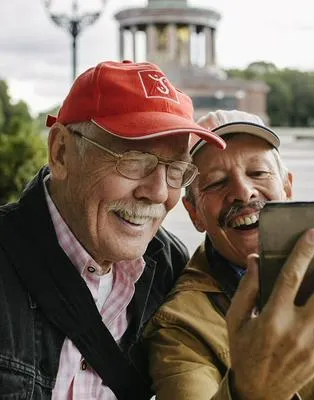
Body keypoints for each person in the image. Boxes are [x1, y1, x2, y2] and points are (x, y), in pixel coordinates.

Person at [0, 60, 225, 399]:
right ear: (61, 153)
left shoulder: (171, 267)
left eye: (176, 169)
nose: (160, 192)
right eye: (134, 161)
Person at [143, 110, 314, 399]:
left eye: (258, 173)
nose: (243, 191)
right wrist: (252, 389)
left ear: (287, 188)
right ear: (195, 214)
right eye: (216, 182)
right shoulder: (181, 326)